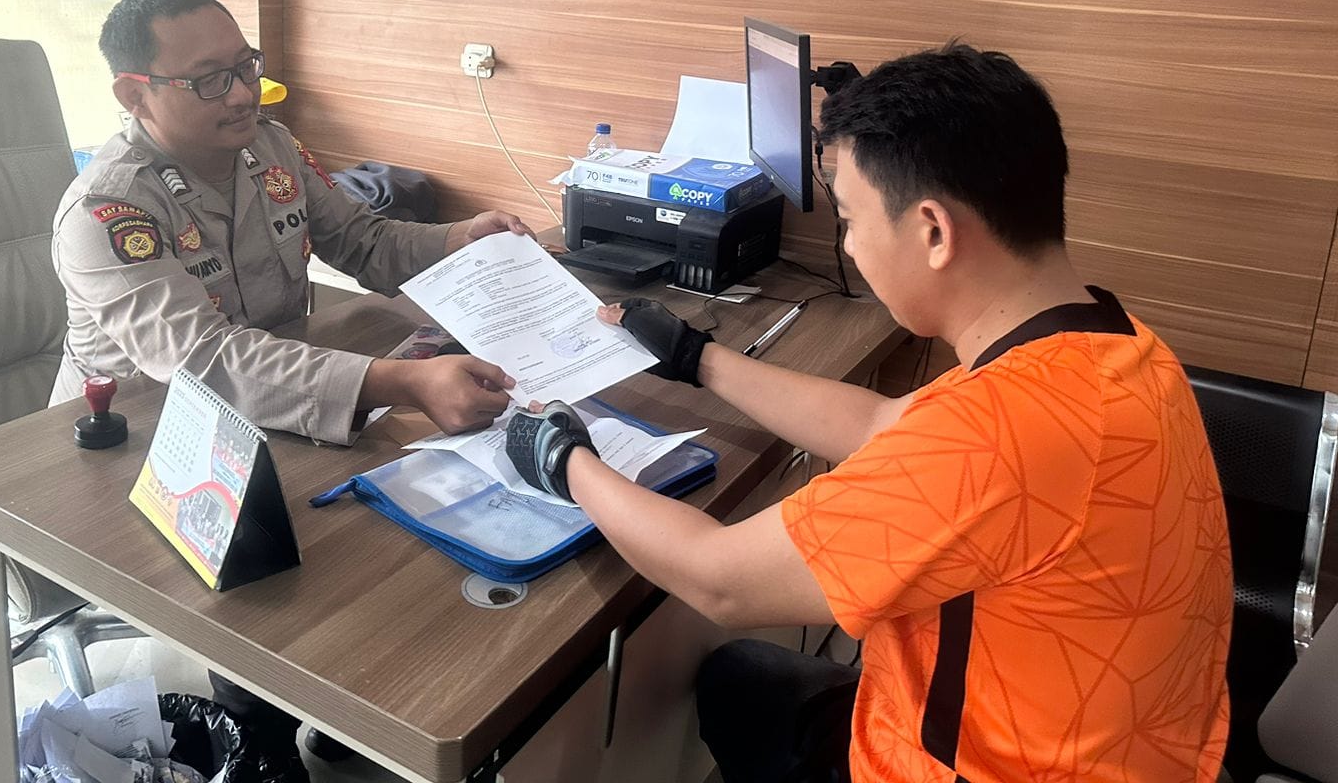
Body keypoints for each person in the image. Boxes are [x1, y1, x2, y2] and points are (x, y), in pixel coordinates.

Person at [506, 44, 1232, 783]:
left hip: (969, 768)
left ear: (934, 231)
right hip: (1122, 751)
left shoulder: (1000, 434)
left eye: (850, 220)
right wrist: (697, 357)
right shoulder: (1112, 349)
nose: (850, 247)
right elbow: (880, 426)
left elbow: (718, 579)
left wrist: (565, 460)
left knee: (737, 682)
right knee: (742, 683)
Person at [51, 0, 532, 781]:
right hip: (137, 444)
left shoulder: (270, 148)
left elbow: (365, 241)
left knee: (400, 509)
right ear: (135, 94)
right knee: (270, 559)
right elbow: (206, 363)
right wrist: (399, 381)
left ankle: (347, 696)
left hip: (270, 402)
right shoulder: (106, 213)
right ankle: (261, 737)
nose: (244, 93)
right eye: (211, 80)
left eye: (246, 66)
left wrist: (459, 237)